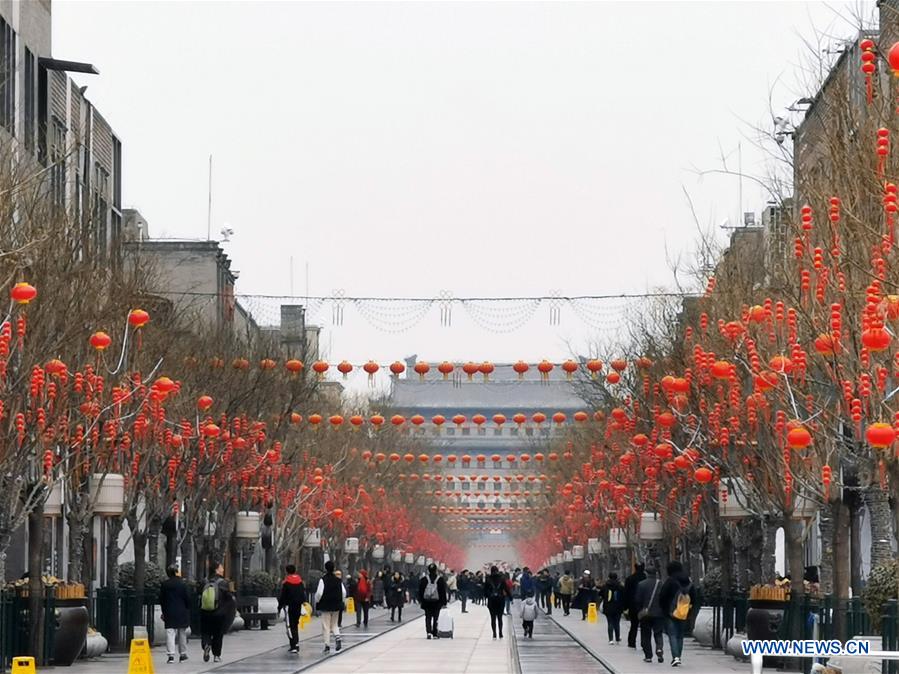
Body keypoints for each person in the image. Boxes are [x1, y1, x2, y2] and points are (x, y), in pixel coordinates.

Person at [659, 561, 696, 667]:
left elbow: (663, 596)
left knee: (672, 635)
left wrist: (665, 610)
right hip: (684, 612)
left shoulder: (670, 581)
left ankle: (675, 657)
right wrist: (689, 610)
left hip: (671, 612)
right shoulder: (688, 581)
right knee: (680, 635)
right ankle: (678, 656)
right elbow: (694, 597)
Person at [199, 562, 232, 664]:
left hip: (205, 612)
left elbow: (199, 595)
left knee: (205, 632)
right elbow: (229, 598)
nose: (223, 569)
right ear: (217, 570)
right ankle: (216, 655)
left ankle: (206, 645)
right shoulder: (224, 583)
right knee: (218, 634)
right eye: (221, 567)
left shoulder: (204, 581)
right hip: (219, 613)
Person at [159, 565, 191, 664]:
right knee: (182, 633)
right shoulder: (182, 584)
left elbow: (162, 600)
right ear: (176, 572)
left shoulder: (165, 584)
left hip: (169, 611)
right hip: (181, 611)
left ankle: (171, 655)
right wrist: (187, 608)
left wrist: (163, 612)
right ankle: (183, 654)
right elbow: (187, 599)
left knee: (170, 633)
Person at [315, 560, 347, 653]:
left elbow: (319, 593)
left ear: (325, 568)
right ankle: (337, 637)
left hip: (326, 605)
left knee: (326, 625)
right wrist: (341, 601)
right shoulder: (338, 580)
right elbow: (344, 592)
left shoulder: (323, 580)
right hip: (336, 605)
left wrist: (317, 601)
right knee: (334, 624)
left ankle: (327, 645)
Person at [635, 565, 665, 664]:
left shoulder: (641, 584)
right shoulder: (660, 584)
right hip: (659, 613)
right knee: (658, 633)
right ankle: (659, 648)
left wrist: (639, 610)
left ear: (646, 573)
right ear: (655, 573)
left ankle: (648, 656)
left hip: (645, 613)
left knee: (645, 634)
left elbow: (638, 600)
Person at [277, 564, 307, 654]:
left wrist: (279, 606)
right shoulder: (300, 581)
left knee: (290, 626)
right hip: (298, 606)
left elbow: (283, 596)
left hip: (289, 606)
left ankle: (293, 645)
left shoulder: (286, 582)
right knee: (295, 625)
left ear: (287, 571)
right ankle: (296, 643)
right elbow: (303, 594)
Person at [419, 563, 448, 639]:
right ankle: (435, 633)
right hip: (437, 602)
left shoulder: (424, 579)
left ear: (428, 570)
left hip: (427, 602)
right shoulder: (440, 579)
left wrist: (421, 600)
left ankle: (428, 632)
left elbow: (420, 591)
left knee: (428, 617)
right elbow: (443, 591)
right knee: (436, 617)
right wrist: (444, 602)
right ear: (436, 570)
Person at [484, 566, 511, 639]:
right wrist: (510, 597)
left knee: (493, 618)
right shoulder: (502, 578)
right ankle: (500, 633)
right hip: (500, 600)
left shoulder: (488, 578)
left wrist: (487, 596)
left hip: (491, 600)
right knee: (500, 618)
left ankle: (494, 633)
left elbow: (485, 590)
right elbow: (506, 589)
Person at [624, 562, 646, 648]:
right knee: (644, 626)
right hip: (644, 606)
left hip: (632, 606)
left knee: (634, 625)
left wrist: (625, 606)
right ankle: (644, 643)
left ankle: (631, 642)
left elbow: (626, 594)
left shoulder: (630, 579)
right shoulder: (645, 579)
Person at [599, 572, 625, 645]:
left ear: (609, 577)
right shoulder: (620, 586)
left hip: (608, 607)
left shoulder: (605, 586)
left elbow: (600, 594)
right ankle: (617, 637)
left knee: (610, 622)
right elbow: (624, 596)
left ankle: (610, 639)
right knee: (617, 622)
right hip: (618, 607)